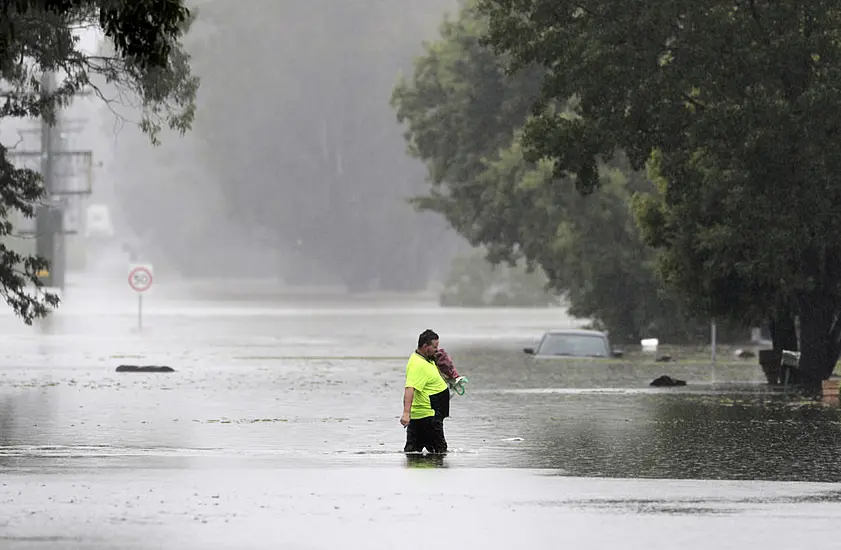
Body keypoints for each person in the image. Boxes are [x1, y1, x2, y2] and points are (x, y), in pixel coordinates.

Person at [401, 329, 450, 454]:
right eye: (434, 347)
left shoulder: (426, 359)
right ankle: (428, 472)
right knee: (440, 453)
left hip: (425, 416)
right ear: (425, 346)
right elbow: (409, 388)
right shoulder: (417, 365)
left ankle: (419, 472)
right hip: (428, 418)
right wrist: (406, 413)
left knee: (412, 453)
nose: (437, 350)